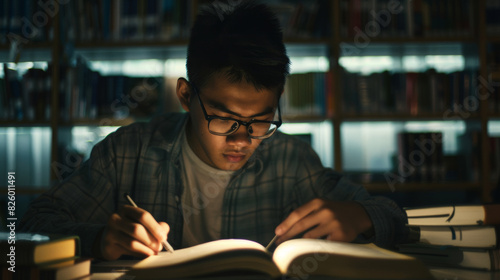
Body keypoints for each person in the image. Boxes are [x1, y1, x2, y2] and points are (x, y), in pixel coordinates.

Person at [20, 0, 407, 261]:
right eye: (223, 117)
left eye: (260, 120)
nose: (242, 139)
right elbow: (32, 224)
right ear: (186, 95)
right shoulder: (127, 152)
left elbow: (393, 215)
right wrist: (100, 239)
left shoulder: (291, 159)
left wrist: (361, 216)